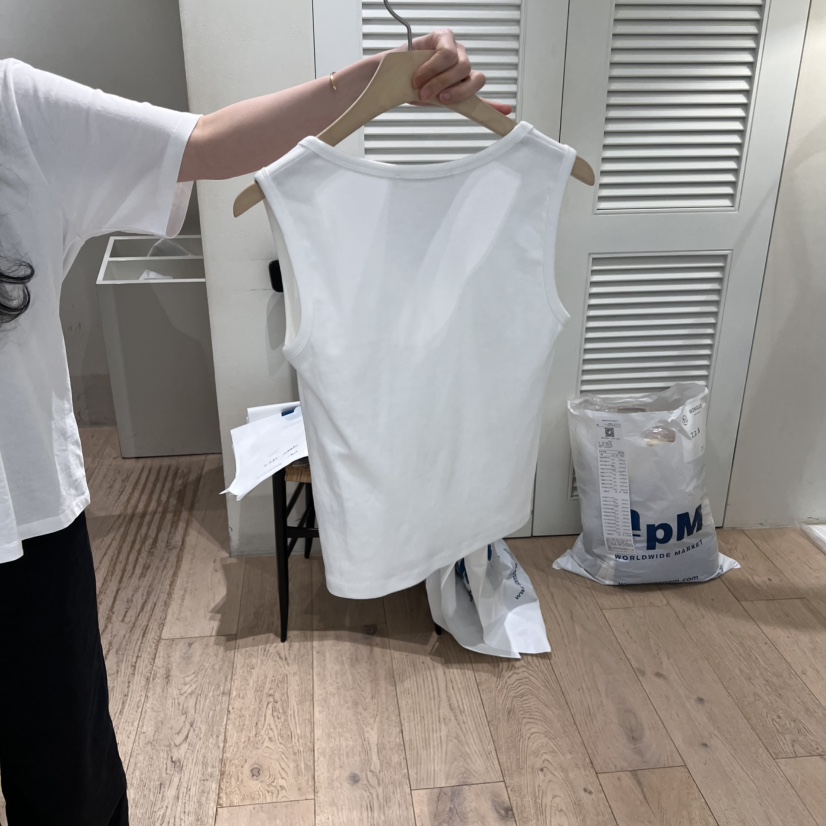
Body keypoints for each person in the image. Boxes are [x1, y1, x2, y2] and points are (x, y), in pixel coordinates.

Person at [0, 30, 510, 826]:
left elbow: (209, 140)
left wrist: (379, 78)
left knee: (70, 785)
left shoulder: (13, 109)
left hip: (23, 522)